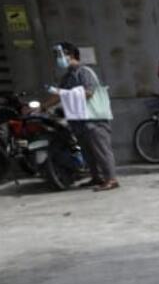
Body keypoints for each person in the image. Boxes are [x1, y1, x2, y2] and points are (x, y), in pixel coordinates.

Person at [45, 42, 118, 191]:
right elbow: (58, 94)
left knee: (101, 150)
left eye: (60, 56)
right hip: (78, 120)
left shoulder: (84, 72)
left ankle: (111, 179)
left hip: (93, 119)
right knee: (87, 151)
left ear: (70, 55)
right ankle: (96, 177)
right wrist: (43, 106)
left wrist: (66, 94)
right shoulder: (67, 77)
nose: (58, 60)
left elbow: (89, 92)